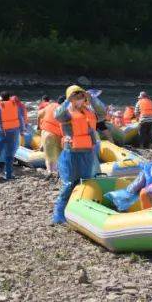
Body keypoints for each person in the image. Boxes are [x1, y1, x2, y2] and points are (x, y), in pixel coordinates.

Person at [51, 86, 99, 224]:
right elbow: (57, 115)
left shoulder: (87, 111)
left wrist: (91, 98)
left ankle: (79, 211)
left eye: (81, 97)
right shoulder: (66, 113)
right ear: (70, 99)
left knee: (86, 181)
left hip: (87, 150)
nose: (79, 100)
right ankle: (59, 214)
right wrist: (67, 101)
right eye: (76, 98)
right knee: (69, 183)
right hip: (71, 151)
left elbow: (98, 119)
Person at [0, 92, 24, 179]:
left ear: (1, 97)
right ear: (9, 97)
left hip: (1, 132)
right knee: (10, 154)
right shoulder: (15, 105)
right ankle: (8, 174)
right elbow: (20, 118)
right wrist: (22, 130)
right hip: (14, 132)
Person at [37, 96, 63, 176]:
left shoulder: (50, 106)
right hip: (58, 135)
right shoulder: (66, 109)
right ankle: (57, 172)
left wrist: (38, 126)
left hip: (47, 133)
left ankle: (50, 172)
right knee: (59, 155)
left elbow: (39, 115)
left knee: (48, 156)